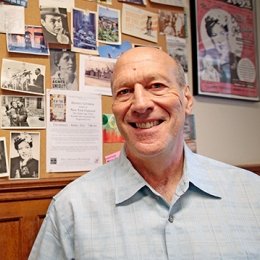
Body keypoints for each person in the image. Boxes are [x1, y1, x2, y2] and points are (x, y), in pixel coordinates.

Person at [29, 47, 260, 259]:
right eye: (125, 91)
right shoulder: (71, 209)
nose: (140, 104)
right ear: (114, 108)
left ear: (187, 100)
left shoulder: (252, 194)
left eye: (156, 86)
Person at [204, 15, 241, 83]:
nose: (219, 40)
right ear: (211, 39)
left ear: (227, 34)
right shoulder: (210, 64)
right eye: (214, 35)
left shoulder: (238, 61)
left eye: (221, 33)